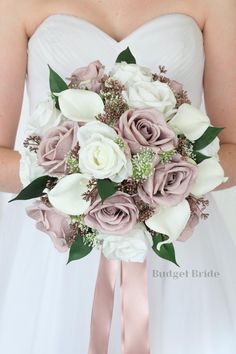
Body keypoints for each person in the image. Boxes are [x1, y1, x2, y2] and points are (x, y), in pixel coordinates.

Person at [0, 0, 236, 353]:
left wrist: (159, 180)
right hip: (60, 251)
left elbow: (231, 146)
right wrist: (77, 179)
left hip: (175, 232)